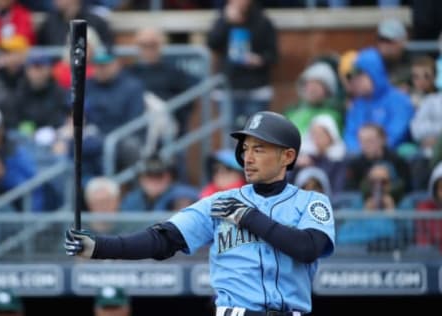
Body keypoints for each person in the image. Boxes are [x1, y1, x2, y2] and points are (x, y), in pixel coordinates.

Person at [66, 111, 335, 315]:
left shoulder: (311, 202)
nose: (248, 157)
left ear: (287, 156)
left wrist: (249, 217)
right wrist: (100, 246)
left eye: (259, 149)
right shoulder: (219, 203)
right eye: (246, 149)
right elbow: (163, 240)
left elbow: (308, 248)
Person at [207, 0, 278, 130]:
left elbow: (273, 55)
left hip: (255, 88)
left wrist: (258, 60)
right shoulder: (223, 19)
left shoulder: (262, 21)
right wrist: (226, 22)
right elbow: (213, 43)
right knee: (230, 135)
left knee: (255, 132)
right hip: (228, 86)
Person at [343, 47, 414, 153]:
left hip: (391, 155)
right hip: (361, 158)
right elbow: (350, 134)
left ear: (374, 73)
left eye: (360, 76)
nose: (355, 81)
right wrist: (360, 151)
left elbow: (397, 132)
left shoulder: (398, 100)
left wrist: (375, 149)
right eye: (354, 77)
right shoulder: (358, 104)